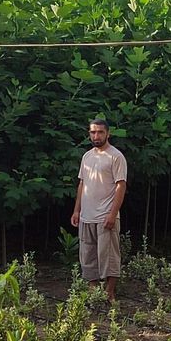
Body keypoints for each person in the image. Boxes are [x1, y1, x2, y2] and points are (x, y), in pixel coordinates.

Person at [71, 118, 127, 301]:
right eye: (93, 132)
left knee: (109, 255)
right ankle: (93, 292)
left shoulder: (115, 156)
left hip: (105, 215)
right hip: (86, 215)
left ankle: (109, 293)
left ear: (108, 133)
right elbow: (82, 184)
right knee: (87, 255)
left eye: (100, 132)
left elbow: (121, 186)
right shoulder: (87, 157)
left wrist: (112, 214)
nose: (96, 135)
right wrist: (77, 210)